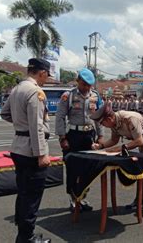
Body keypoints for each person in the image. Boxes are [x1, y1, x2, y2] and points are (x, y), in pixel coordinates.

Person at [1, 58, 52, 243]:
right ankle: (26, 238)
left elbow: (4, 113)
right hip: (32, 151)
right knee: (32, 196)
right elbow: (37, 126)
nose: (46, 79)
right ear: (42, 73)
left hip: (18, 147)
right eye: (47, 75)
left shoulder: (17, 89)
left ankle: (23, 233)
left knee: (23, 192)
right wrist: (41, 154)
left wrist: (20, 124)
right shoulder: (36, 92)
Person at [90, 102, 143, 210]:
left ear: (109, 119)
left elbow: (139, 141)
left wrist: (122, 148)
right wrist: (100, 146)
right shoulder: (114, 123)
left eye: (103, 123)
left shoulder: (130, 118)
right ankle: (139, 200)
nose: (103, 126)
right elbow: (114, 140)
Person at [55, 68, 103, 212]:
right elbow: (60, 117)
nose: (86, 88)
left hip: (89, 137)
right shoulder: (67, 96)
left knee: (88, 169)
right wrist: (62, 138)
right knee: (72, 168)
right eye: (84, 84)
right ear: (78, 82)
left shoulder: (95, 96)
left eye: (89, 85)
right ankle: (73, 199)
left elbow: (99, 118)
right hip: (73, 136)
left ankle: (82, 197)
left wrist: (100, 136)